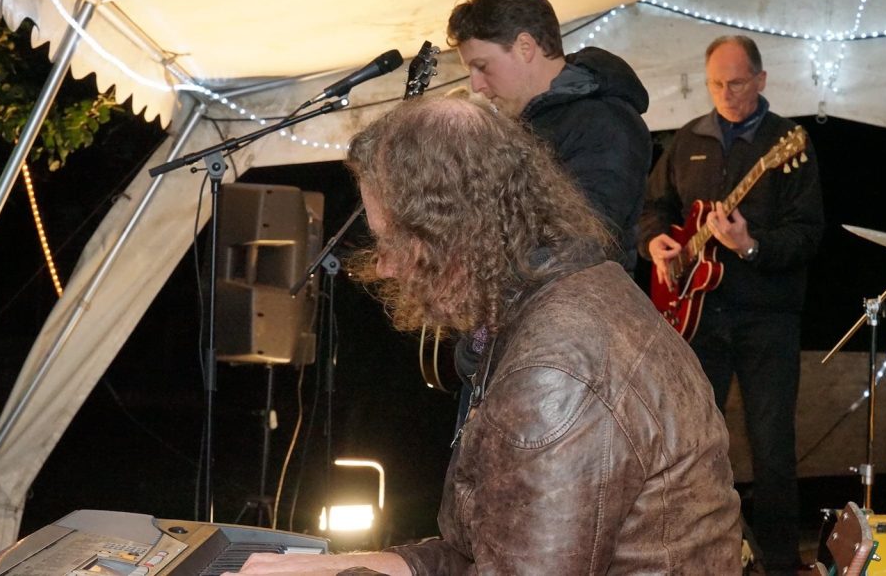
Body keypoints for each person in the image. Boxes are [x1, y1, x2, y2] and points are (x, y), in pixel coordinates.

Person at [231, 96, 742, 575]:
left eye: (391, 241)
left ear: (452, 233)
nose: (383, 266)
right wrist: (330, 566)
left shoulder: (553, 374)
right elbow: (478, 551)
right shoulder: (567, 289)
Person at [639, 35, 824, 576]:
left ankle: (781, 562)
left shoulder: (788, 144)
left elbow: (808, 234)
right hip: (697, 315)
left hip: (768, 318)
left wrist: (750, 246)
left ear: (761, 80)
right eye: (716, 83)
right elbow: (653, 208)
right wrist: (653, 243)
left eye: (737, 83)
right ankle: (701, 557)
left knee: (772, 446)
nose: (725, 93)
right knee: (695, 444)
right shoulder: (688, 139)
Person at [446, 0, 651, 273]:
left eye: (482, 66)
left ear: (525, 47)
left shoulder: (603, 122)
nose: (476, 85)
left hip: (583, 300)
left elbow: (582, 242)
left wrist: (490, 271)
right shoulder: (522, 126)